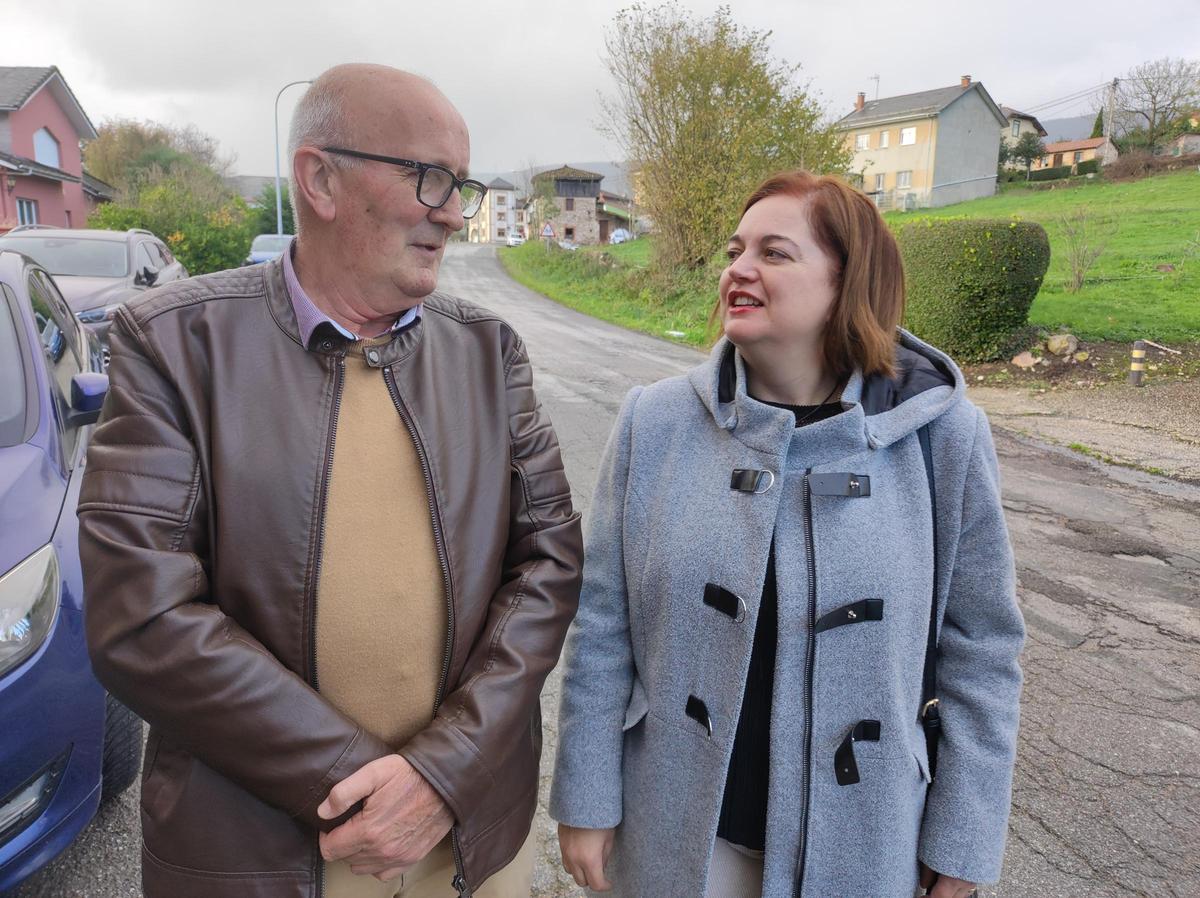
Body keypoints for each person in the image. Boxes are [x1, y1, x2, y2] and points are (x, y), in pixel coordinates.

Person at [78, 64, 583, 898]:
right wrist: (372, 787)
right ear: (319, 179)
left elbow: (550, 565)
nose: (455, 213)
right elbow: (143, 616)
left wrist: (441, 777)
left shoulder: (490, 354)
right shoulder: (174, 345)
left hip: (462, 847)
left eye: (463, 185)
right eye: (430, 178)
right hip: (264, 857)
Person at [550, 170, 1024, 898]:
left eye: (774, 253)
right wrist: (586, 795)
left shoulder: (942, 438)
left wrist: (963, 836)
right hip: (678, 838)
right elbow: (603, 621)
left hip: (865, 845)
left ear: (847, 281)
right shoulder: (655, 422)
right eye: (736, 249)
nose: (738, 269)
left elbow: (983, 650)